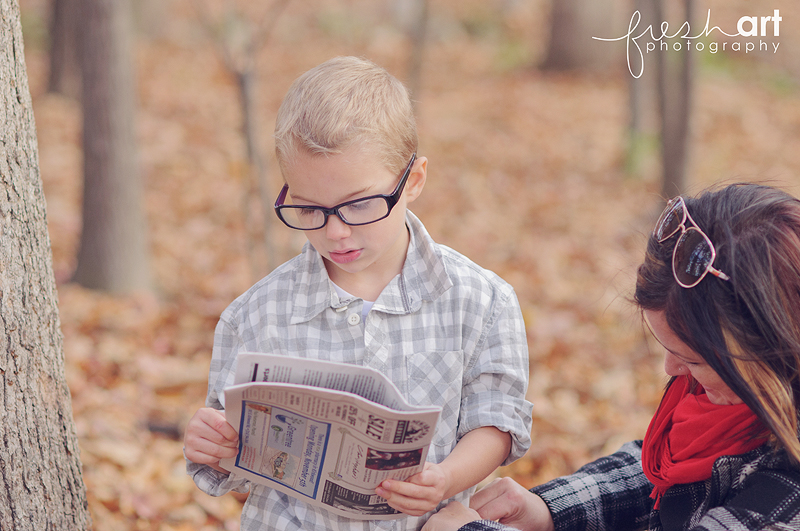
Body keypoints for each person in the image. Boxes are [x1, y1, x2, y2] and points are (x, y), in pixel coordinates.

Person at [183, 56, 533, 531]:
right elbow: (233, 459)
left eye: (359, 205)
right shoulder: (255, 315)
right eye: (309, 209)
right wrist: (216, 446)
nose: (336, 232)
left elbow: (497, 420)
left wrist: (446, 478)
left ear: (413, 181)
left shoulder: (482, 300)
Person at [423, 183, 800, 531]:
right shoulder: (737, 398)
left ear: (772, 347)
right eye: (667, 349)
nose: (671, 370)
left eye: (694, 360)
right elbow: (666, 477)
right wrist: (549, 510)